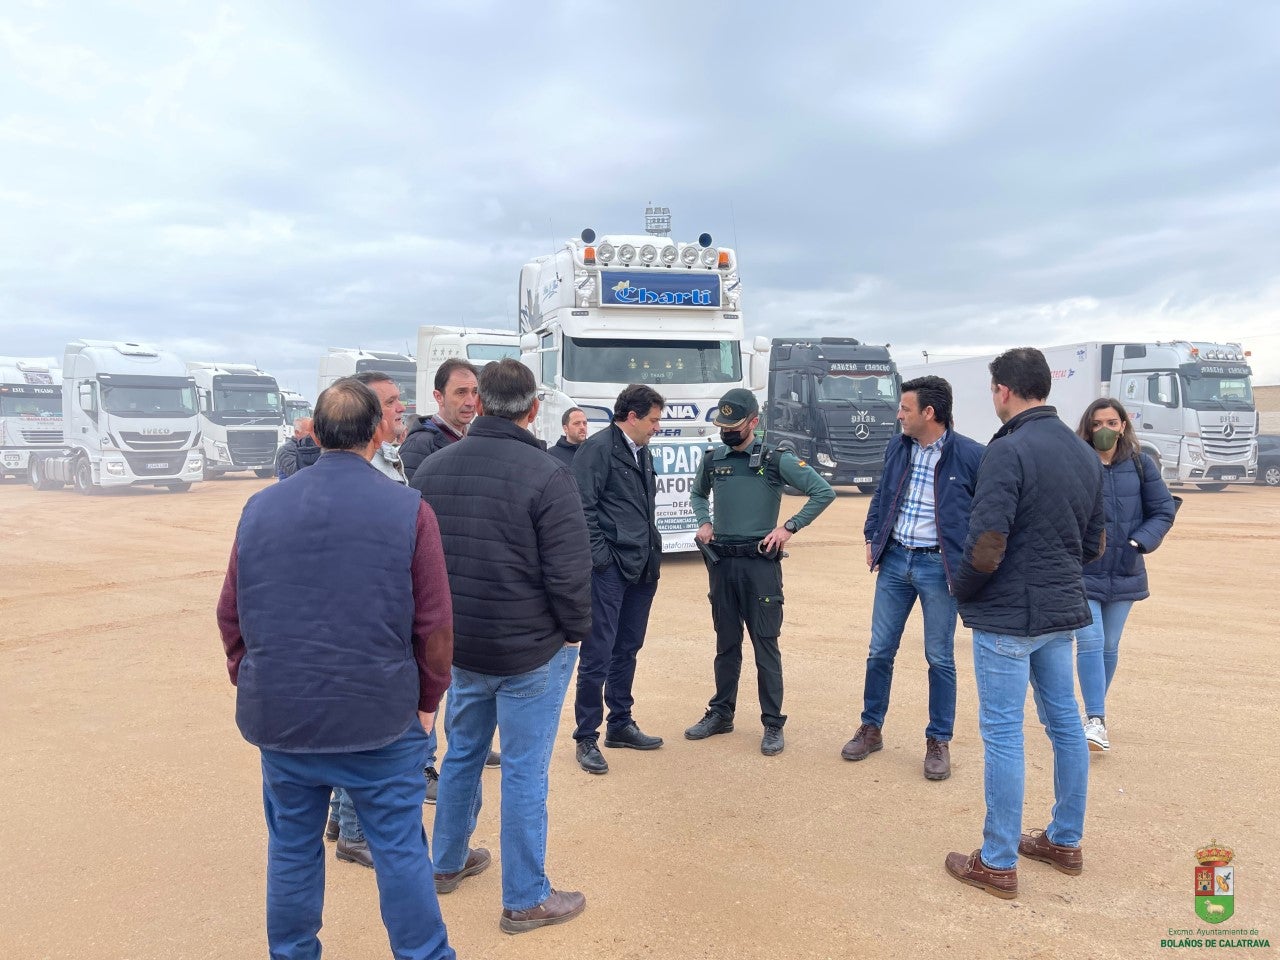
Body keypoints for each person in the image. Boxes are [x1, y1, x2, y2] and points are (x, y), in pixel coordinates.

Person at [216, 377, 456, 959]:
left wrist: (257, 677)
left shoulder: (260, 508)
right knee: (399, 848)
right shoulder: (407, 509)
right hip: (380, 716)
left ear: (318, 433)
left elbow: (232, 615)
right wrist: (427, 703)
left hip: (285, 717)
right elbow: (436, 628)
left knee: (293, 848)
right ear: (377, 432)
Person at [414, 358, 593, 934]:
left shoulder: (433, 470)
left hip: (463, 645)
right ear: (534, 409)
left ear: (483, 403)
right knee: (522, 768)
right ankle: (525, 896)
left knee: (463, 751)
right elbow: (569, 574)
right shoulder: (548, 475)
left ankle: (444, 863)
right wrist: (574, 632)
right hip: (528, 650)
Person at [944, 347, 1105, 901]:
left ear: (1004, 391)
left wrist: (961, 588)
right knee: (1066, 725)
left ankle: (996, 860)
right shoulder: (1082, 453)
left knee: (1004, 734)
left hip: (1009, 617)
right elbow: (1093, 543)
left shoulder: (1007, 451)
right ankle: (1064, 840)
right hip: (1061, 612)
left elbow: (986, 544)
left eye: (993, 391)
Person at [842, 376, 984, 780]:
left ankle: (938, 740)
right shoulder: (898, 446)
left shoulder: (972, 455)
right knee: (879, 650)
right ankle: (871, 728)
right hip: (895, 561)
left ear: (929, 413)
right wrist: (873, 536)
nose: (898, 415)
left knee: (939, 657)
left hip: (939, 568)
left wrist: (969, 562)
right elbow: (883, 494)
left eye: (905, 408)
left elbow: (987, 515)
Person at [684, 388, 835, 756]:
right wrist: (704, 521)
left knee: (765, 644)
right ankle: (721, 713)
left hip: (759, 564)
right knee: (726, 642)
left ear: (754, 422)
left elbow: (822, 491)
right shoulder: (713, 459)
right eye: (721, 425)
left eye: (734, 425)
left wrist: (788, 528)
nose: (726, 432)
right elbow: (697, 494)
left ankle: (772, 723)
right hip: (722, 564)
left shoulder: (774, 458)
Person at [1069, 397, 1176, 752]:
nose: (1104, 430)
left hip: (1126, 570)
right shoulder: (1076, 463)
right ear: (1088, 427)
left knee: (1110, 646)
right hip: (1084, 571)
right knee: (1091, 642)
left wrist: (1138, 542)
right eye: (1097, 424)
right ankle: (1096, 718)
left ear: (1123, 425)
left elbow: (1163, 510)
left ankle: (1092, 713)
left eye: (1111, 423)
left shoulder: (1142, 465)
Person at [570, 386, 665, 775]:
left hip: (642, 566)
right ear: (632, 417)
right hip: (610, 570)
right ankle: (586, 735)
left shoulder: (642, 451)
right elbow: (581, 508)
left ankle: (620, 723)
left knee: (628, 646)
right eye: (654, 420)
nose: (657, 428)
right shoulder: (597, 449)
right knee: (598, 653)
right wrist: (602, 560)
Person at [402, 359, 479, 480]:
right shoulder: (418, 444)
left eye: (475, 392)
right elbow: (410, 494)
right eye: (461, 392)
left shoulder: (474, 439)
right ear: (439, 397)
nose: (471, 402)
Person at [355, 371, 409, 484]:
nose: (402, 408)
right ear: (364, 412)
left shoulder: (385, 456)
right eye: (390, 402)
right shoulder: (365, 466)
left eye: (399, 399)